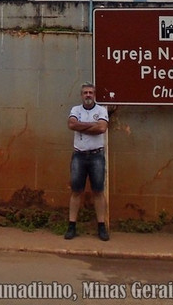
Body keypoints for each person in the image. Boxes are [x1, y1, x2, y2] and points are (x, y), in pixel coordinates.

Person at [65, 82, 109, 240]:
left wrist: (80, 126)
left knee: (98, 191)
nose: (88, 95)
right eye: (85, 93)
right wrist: (92, 126)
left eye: (91, 92)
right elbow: (71, 124)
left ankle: (101, 227)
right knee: (76, 191)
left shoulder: (101, 110)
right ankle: (71, 226)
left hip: (97, 156)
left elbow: (102, 128)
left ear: (94, 94)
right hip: (79, 156)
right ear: (81, 95)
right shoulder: (75, 110)